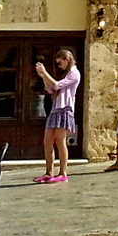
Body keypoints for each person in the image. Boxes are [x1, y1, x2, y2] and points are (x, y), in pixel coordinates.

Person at [33, 48, 80, 184]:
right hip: (55, 109)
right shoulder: (66, 74)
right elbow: (51, 89)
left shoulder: (74, 74)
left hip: (65, 109)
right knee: (47, 141)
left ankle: (62, 172)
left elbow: (57, 85)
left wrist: (45, 73)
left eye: (60, 63)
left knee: (60, 141)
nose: (59, 66)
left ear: (67, 60)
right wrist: (42, 76)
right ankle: (49, 171)